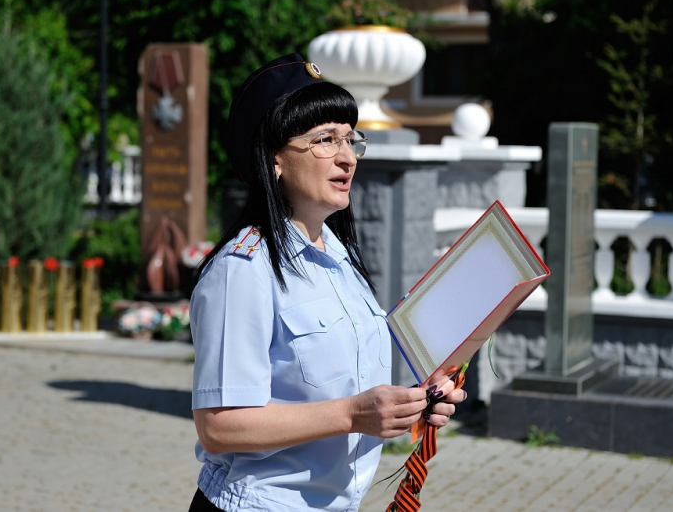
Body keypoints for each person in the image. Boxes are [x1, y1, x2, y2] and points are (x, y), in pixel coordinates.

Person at [188, 53, 466, 512]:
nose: (345, 158)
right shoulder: (242, 270)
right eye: (324, 140)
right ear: (274, 158)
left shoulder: (338, 257)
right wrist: (353, 415)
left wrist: (417, 398)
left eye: (350, 140)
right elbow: (219, 427)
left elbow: (352, 377)